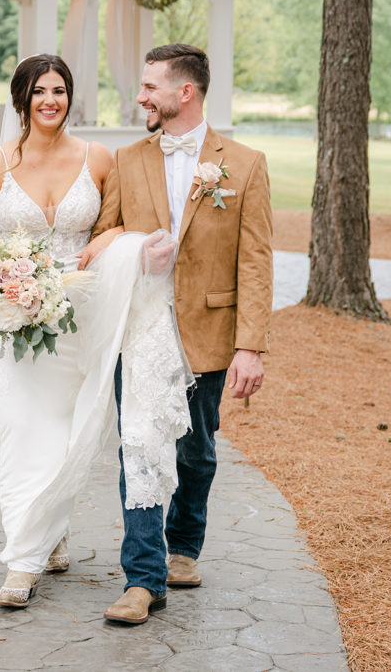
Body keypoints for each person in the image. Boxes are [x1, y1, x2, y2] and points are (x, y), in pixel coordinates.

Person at [0, 55, 193, 610]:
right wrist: (11, 282)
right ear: (21, 98)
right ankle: (22, 563)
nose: (51, 100)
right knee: (23, 430)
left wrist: (106, 241)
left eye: (60, 90)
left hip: (77, 317)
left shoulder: (98, 158)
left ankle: (52, 529)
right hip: (10, 319)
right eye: (39, 91)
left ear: (71, 96)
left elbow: (116, 220)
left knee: (66, 432)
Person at [91, 43, 273, 625]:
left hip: (210, 330)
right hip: (141, 330)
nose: (140, 96)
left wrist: (250, 345)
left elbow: (258, 261)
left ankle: (185, 545)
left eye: (150, 87)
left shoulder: (243, 164)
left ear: (184, 92)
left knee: (195, 450)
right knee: (139, 449)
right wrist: (132, 248)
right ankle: (142, 579)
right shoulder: (125, 159)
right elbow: (103, 235)